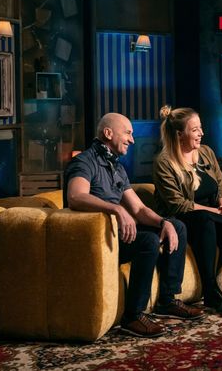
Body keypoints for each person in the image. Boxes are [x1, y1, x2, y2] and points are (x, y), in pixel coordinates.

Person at [64, 113, 205, 338]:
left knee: (176, 226)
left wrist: (163, 222)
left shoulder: (117, 167)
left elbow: (139, 209)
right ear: (108, 133)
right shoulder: (84, 161)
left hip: (118, 235)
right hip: (99, 240)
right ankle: (133, 316)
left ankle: (168, 300)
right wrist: (117, 209)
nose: (132, 140)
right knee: (148, 240)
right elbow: (76, 197)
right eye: (128, 133)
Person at [152, 106, 222, 318]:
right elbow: (178, 204)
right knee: (206, 219)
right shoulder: (164, 162)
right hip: (183, 218)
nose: (201, 133)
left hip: (211, 213)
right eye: (195, 130)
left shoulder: (206, 152)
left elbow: (221, 185)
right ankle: (210, 290)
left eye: (200, 128)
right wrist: (216, 211)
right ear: (179, 135)